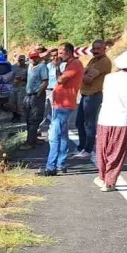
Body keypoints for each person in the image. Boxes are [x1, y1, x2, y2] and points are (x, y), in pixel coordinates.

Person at [95, 50, 127, 192]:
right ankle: (109, 182)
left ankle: (102, 177)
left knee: (102, 149)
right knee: (117, 152)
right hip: (124, 120)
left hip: (106, 117)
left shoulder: (109, 77)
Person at [41, 43, 84, 176]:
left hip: (64, 105)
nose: (59, 56)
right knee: (63, 134)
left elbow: (60, 80)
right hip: (59, 103)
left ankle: (51, 167)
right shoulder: (70, 64)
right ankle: (61, 163)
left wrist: (58, 67)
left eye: (61, 53)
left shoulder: (74, 64)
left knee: (54, 136)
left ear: (70, 52)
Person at [75, 40, 112, 160]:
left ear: (104, 49)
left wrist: (79, 74)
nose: (95, 51)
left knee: (89, 124)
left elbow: (88, 79)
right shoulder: (93, 60)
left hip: (93, 95)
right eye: (93, 49)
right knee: (79, 122)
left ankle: (88, 149)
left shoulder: (104, 62)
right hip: (85, 94)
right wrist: (82, 73)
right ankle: (81, 148)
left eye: (98, 49)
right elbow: (84, 73)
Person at [24, 51, 49, 147]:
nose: (33, 59)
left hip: (36, 95)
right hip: (28, 95)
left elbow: (45, 81)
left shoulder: (42, 67)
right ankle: (32, 138)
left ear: (38, 58)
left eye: (35, 57)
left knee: (35, 118)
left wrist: (39, 92)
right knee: (28, 118)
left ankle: (30, 142)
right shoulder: (29, 66)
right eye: (31, 58)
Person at [10, 55, 28, 123]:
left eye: (22, 60)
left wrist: (22, 79)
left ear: (24, 60)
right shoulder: (14, 67)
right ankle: (15, 116)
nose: (20, 62)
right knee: (12, 103)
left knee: (20, 103)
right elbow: (11, 75)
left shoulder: (27, 67)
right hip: (14, 87)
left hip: (23, 87)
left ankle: (22, 118)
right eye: (19, 60)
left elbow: (29, 78)